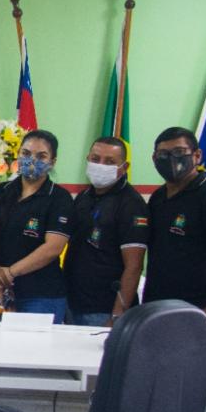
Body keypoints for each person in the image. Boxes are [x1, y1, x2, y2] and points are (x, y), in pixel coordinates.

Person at [0, 129, 75, 323]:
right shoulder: (2, 191)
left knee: (34, 352)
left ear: (52, 162)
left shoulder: (59, 198)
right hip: (2, 290)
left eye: (41, 156)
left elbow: (53, 248)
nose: (32, 159)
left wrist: (11, 272)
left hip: (41, 294)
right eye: (26, 154)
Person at [64, 137, 149, 326]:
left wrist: (117, 316)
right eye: (95, 159)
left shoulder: (131, 205)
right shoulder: (84, 197)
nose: (100, 165)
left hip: (105, 310)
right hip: (72, 303)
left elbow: (134, 266)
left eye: (110, 162)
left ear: (124, 167)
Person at [142, 126, 206, 327]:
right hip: (155, 304)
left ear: (197, 155)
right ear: (154, 159)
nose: (171, 159)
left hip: (198, 308)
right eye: (163, 154)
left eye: (179, 152)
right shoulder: (157, 198)